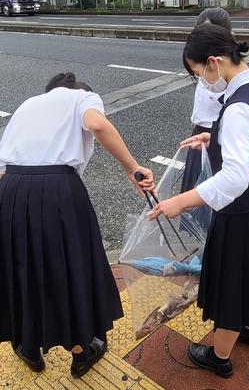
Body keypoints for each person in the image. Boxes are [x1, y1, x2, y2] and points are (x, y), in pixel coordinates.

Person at [149, 24, 249, 378]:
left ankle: (218, 357)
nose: (201, 81)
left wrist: (183, 201)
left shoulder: (237, 107)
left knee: (234, 286)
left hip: (242, 215)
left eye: (198, 73)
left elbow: (234, 177)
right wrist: (212, 137)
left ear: (214, 62)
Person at [0, 72, 154, 378]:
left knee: (21, 267)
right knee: (68, 267)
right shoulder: (81, 95)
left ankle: (28, 346)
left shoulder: (28, 105)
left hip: (12, 190)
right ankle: (81, 351)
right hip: (59, 191)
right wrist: (132, 169)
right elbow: (97, 124)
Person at [181, 7, 232, 193]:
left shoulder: (226, 72)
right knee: (193, 198)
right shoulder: (204, 63)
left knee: (210, 198)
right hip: (199, 135)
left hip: (217, 140)